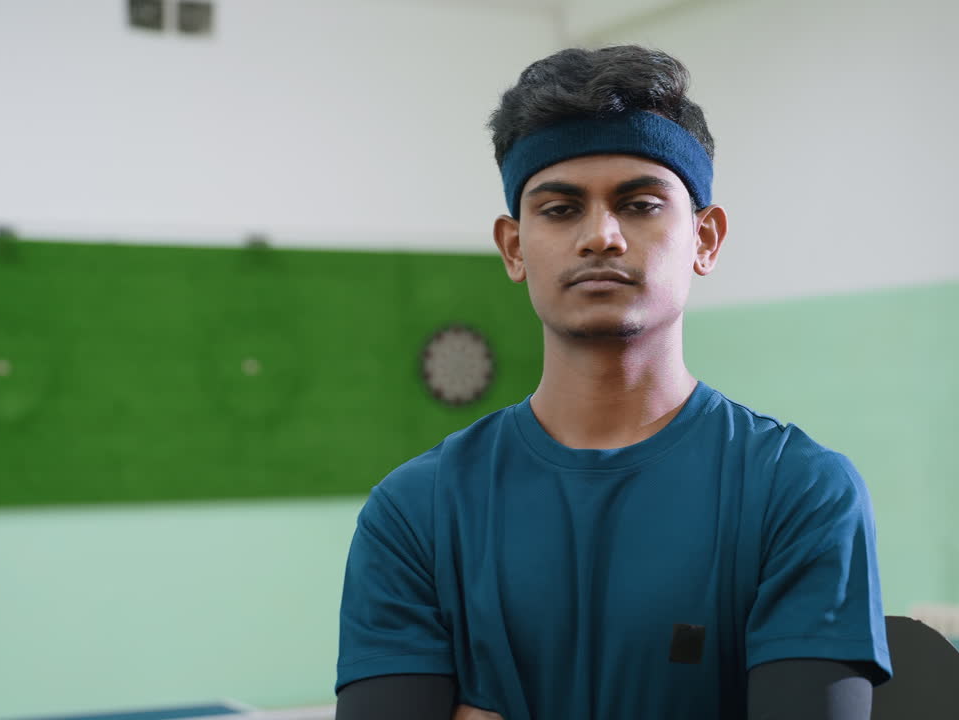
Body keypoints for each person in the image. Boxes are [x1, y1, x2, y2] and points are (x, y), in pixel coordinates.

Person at [334, 45, 892, 720]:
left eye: (640, 204)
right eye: (561, 209)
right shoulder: (415, 513)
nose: (601, 236)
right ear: (514, 247)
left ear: (705, 239)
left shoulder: (797, 493)